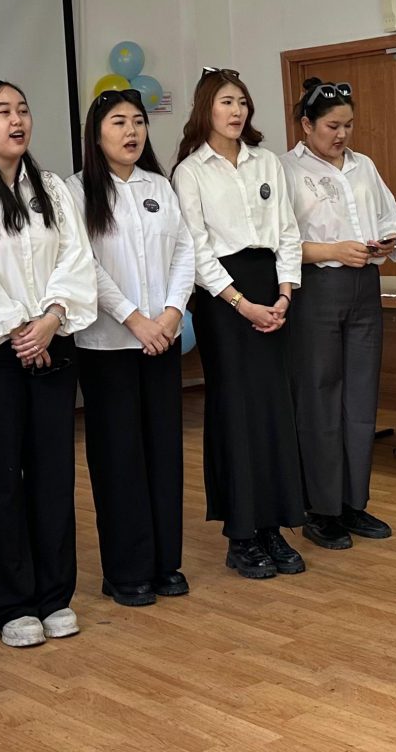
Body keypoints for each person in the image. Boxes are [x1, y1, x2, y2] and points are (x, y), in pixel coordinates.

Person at [0, 80, 98, 649]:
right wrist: (17, 329)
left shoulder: (51, 187)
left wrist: (50, 319)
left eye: (23, 109)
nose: (16, 119)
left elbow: (77, 257)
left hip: (53, 343)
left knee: (52, 475)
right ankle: (11, 604)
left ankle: (55, 594)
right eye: (2, 111)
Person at [171, 67, 307, 581]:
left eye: (242, 102)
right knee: (235, 412)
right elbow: (196, 248)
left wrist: (285, 293)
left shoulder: (266, 161)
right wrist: (241, 302)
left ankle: (274, 525)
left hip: (272, 289)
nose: (236, 111)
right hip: (224, 299)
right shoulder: (190, 171)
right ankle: (242, 534)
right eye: (226, 102)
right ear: (206, 108)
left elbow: (288, 231)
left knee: (274, 410)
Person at [66, 87, 195, 608]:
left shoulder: (159, 186)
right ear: (96, 134)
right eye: (118, 122)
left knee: (163, 452)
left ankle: (165, 563)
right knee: (118, 458)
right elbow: (84, 264)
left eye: (138, 121)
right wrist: (134, 319)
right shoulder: (76, 191)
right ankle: (126, 570)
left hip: (162, 339)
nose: (131, 131)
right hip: (107, 345)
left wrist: (172, 313)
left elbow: (185, 251)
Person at [282, 77, 396, 551]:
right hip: (316, 288)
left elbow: (392, 217)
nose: (341, 134)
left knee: (360, 395)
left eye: (348, 125)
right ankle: (321, 509)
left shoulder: (363, 166)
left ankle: (354, 501)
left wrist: (388, 240)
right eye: (332, 126)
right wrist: (333, 249)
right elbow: (280, 241)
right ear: (306, 125)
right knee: (319, 396)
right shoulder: (286, 170)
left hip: (364, 286)